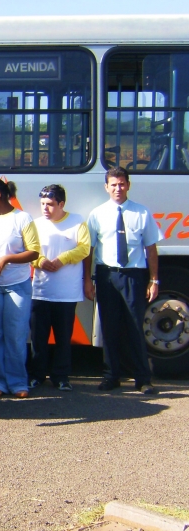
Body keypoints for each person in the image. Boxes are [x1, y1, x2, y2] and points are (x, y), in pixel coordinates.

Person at [83, 167, 162, 394]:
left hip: (133, 276)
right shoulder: (97, 214)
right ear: (106, 187)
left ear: (128, 185)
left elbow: (151, 249)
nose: (118, 188)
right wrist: (87, 280)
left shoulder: (142, 213)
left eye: (122, 184)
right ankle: (111, 376)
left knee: (136, 327)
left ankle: (143, 378)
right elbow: (89, 250)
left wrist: (154, 281)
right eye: (113, 184)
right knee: (109, 327)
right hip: (107, 276)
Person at [0, 178, 40, 399]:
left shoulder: (22, 218)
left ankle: (18, 381)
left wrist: (6, 259)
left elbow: (34, 252)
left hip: (17, 286)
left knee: (16, 336)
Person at [29, 185, 90, 392]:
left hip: (66, 293)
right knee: (38, 338)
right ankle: (37, 375)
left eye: (50, 205)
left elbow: (84, 248)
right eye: (42, 204)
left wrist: (63, 259)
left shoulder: (77, 221)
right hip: (40, 291)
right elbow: (29, 250)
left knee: (64, 338)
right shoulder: (35, 224)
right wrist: (41, 262)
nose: (45, 209)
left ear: (61, 204)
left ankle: (61, 376)